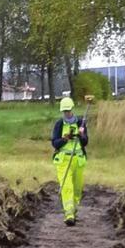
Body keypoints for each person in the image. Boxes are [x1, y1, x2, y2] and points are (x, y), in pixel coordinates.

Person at [51, 95, 88, 226]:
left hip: (78, 160)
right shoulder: (59, 124)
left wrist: (82, 135)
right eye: (64, 111)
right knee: (67, 187)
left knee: (77, 189)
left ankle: (74, 209)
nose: (67, 113)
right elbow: (54, 143)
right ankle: (69, 214)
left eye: (68, 111)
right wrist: (64, 139)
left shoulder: (80, 123)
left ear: (72, 109)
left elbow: (85, 142)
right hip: (63, 161)